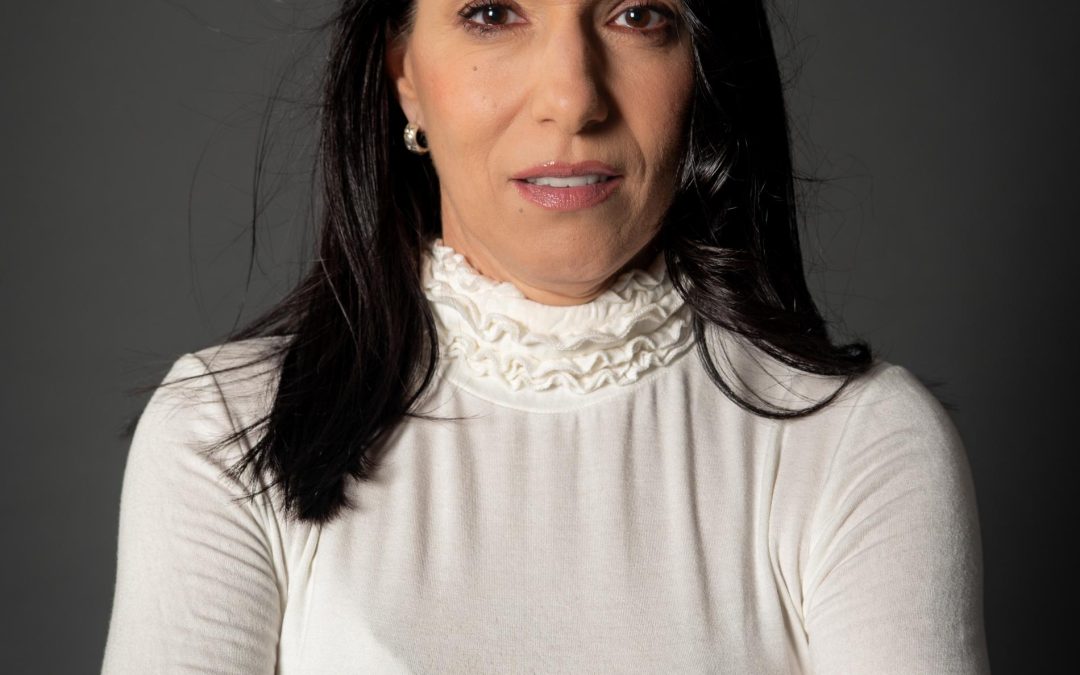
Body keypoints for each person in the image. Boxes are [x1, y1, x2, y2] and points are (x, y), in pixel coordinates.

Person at [101, 1, 991, 673]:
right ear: (404, 72)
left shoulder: (858, 446)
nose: (572, 99)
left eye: (637, 15)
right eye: (493, 14)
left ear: (703, 65)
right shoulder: (225, 432)